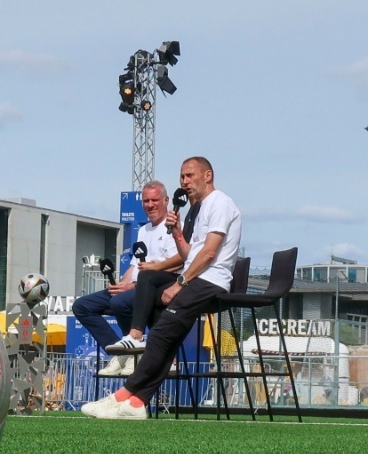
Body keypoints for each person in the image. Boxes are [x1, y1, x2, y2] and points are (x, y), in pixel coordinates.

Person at [82, 156, 241, 420]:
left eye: (190, 175)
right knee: (148, 278)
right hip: (199, 275)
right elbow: (192, 253)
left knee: (163, 332)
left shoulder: (220, 203)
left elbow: (209, 254)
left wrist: (180, 283)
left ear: (208, 175)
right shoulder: (197, 209)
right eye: (182, 176)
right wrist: (178, 233)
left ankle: (122, 396)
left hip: (212, 281)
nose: (185, 181)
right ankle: (137, 398)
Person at [72, 181, 180, 377]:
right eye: (146, 201)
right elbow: (133, 265)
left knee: (121, 301)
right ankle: (122, 354)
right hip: (133, 286)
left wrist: (133, 286)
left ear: (166, 201)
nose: (150, 205)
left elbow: (178, 263)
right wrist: (122, 283)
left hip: (154, 286)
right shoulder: (143, 230)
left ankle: (136, 349)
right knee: (82, 306)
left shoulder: (172, 228)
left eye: (155, 200)